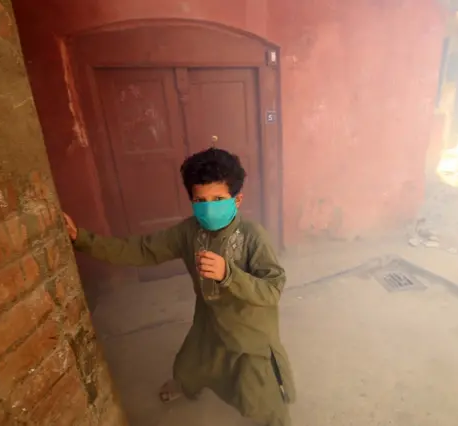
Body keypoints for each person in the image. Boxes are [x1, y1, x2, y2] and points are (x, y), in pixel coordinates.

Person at [63, 147, 295, 426]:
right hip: (209, 322)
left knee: (260, 397)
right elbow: (142, 250)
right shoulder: (189, 231)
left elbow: (272, 289)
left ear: (238, 199)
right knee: (190, 364)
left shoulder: (253, 237)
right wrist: (83, 239)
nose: (209, 207)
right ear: (192, 201)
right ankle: (187, 387)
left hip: (250, 330)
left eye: (218, 199)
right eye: (201, 200)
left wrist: (229, 274)